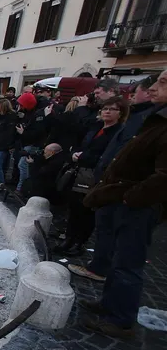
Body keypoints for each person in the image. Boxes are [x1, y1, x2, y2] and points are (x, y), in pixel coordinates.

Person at [78, 69, 167, 339]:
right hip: (126, 202)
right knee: (119, 259)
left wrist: (130, 198)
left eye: (162, 82)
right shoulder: (154, 118)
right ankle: (109, 305)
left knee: (128, 263)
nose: (152, 88)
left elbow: (163, 177)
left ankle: (121, 320)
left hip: (138, 207)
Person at [55, 96, 127, 257]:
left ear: (120, 113)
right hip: (79, 172)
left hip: (95, 175)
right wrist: (75, 154)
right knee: (74, 207)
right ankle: (69, 238)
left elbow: (107, 156)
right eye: (105, 109)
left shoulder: (118, 133)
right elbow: (80, 142)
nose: (107, 112)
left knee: (87, 211)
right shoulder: (95, 127)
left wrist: (82, 157)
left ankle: (79, 242)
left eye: (112, 109)